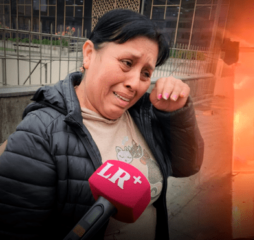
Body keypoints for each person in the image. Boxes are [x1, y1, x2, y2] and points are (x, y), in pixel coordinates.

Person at [0, 9, 204, 240]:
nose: (135, 84)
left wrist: (175, 115)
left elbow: (187, 167)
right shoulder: (40, 133)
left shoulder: (144, 113)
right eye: (127, 63)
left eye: (146, 73)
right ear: (88, 54)